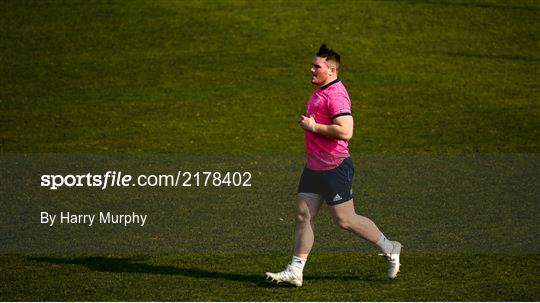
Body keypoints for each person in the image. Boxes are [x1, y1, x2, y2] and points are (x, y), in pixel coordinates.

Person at [265, 44, 401, 287]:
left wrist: (314, 127)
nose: (311, 69)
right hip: (314, 167)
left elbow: (346, 131)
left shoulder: (336, 95)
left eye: (316, 66)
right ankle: (296, 270)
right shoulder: (321, 90)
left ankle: (390, 248)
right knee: (303, 215)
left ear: (331, 69)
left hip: (334, 167)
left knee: (345, 220)